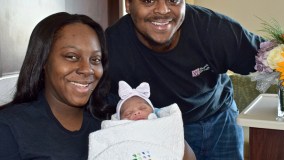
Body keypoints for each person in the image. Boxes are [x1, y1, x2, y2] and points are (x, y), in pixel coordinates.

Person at [101, 0, 264, 159]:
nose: (163, 10)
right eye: (149, 1)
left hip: (220, 121)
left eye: (173, 0)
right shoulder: (111, 46)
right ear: (128, 4)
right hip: (159, 128)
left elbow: (272, 57)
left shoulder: (213, 28)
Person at [0, 12, 109, 160]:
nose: (87, 69)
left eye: (95, 59)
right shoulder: (9, 128)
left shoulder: (115, 117)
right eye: (71, 57)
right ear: (43, 60)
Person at [88, 80, 196, 160]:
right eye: (128, 113)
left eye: (142, 108)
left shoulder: (164, 126)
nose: (136, 112)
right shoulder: (116, 131)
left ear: (154, 111)